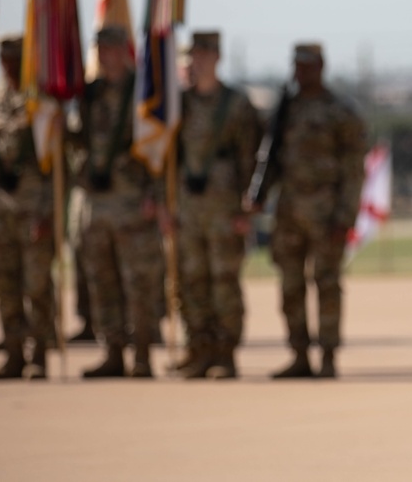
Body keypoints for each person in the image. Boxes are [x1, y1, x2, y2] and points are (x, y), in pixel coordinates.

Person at [251, 43, 366, 379]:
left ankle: (328, 355)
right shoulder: (285, 109)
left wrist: (345, 216)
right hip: (288, 212)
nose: (302, 72)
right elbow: (270, 158)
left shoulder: (340, 111)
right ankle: (299, 353)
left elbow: (353, 170)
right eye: (297, 66)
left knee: (327, 284)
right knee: (290, 285)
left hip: (326, 212)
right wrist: (258, 195)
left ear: (321, 66)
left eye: (308, 65)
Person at [70, 25, 163, 378]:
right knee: (101, 282)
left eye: (112, 48)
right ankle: (112, 353)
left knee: (138, 284)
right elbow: (76, 142)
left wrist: (155, 196)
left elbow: (158, 150)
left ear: (125, 51)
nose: (106, 55)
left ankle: (141, 355)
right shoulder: (88, 95)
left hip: (133, 205)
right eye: (101, 49)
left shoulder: (145, 94)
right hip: (96, 205)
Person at [173, 31, 261, 379]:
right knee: (191, 282)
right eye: (196, 54)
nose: (201, 60)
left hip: (225, 207)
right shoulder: (178, 104)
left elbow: (251, 158)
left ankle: (225, 353)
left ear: (218, 57)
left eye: (207, 54)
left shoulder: (237, 105)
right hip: (188, 207)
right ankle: (199, 350)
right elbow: (166, 158)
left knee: (224, 282)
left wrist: (247, 210)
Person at [0, 35, 56, 380]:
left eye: (15, 60)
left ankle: (38, 354)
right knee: (6, 286)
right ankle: (13, 354)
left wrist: (50, 212)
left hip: (33, 210)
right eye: (4, 60)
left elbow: (55, 164)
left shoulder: (40, 103)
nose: (8, 67)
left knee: (37, 286)